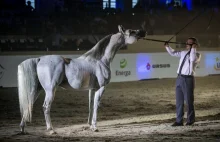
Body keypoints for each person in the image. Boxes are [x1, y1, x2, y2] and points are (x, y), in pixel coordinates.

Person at [164, 37, 201, 126]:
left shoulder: (197, 54)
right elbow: (173, 53)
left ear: (194, 45)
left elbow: (192, 59)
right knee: (179, 101)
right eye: (187, 42)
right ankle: (179, 120)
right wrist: (167, 46)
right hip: (179, 78)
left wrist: (193, 48)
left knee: (189, 101)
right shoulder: (183, 53)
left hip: (188, 79)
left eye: (190, 43)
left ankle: (190, 120)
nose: (187, 44)